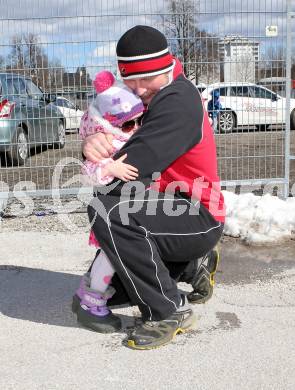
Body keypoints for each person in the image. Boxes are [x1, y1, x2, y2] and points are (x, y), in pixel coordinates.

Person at [78, 25, 225, 349]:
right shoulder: (156, 92)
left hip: (198, 214)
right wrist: (92, 142)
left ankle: (169, 312)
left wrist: (98, 159)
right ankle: (191, 266)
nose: (138, 88)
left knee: (108, 211)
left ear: (166, 67)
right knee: (118, 286)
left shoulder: (176, 102)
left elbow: (130, 168)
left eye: (146, 79)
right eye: (129, 79)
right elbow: (110, 127)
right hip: (170, 208)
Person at [74, 70, 144, 332]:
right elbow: (89, 172)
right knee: (110, 255)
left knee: (109, 254)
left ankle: (90, 289)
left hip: (123, 210)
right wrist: (110, 168)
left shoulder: (122, 140)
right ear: (107, 124)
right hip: (109, 211)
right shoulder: (105, 144)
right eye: (128, 125)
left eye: (140, 121)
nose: (135, 129)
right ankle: (91, 301)